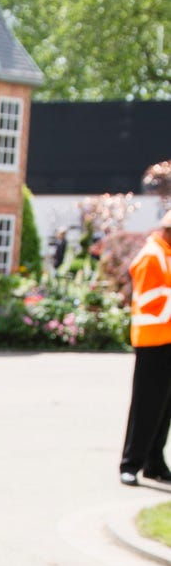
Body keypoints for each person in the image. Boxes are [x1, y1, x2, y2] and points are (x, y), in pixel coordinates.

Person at [119, 209, 171, 487]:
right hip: (152, 338)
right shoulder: (153, 255)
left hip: (167, 337)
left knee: (164, 407)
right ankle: (131, 463)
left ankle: (154, 461)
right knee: (146, 405)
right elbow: (152, 299)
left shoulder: (165, 253)